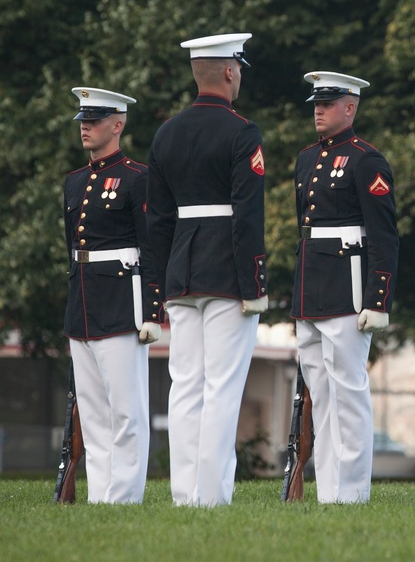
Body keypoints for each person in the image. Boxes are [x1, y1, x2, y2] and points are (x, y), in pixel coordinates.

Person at [147, 33, 267, 506]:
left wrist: (158, 284)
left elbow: (157, 221)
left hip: (181, 269)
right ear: (231, 72)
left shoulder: (165, 133)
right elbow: (247, 215)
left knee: (186, 386)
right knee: (221, 386)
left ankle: (183, 495)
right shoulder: (242, 132)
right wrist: (254, 282)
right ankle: (211, 497)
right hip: (226, 272)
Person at [291, 71, 398, 503]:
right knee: (321, 393)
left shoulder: (366, 160)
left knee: (349, 394)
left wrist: (378, 298)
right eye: (316, 102)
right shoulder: (305, 158)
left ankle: (351, 493)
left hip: (349, 288)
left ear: (350, 107)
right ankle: (329, 491)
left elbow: (384, 235)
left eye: (328, 102)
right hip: (311, 286)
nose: (318, 108)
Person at [63, 87, 162, 503]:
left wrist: (153, 311)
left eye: (95, 118)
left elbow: (153, 248)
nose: (85, 126)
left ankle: (124, 497)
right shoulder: (74, 182)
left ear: (117, 124)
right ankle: (100, 497)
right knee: (93, 411)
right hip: (83, 302)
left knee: (126, 410)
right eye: (83, 118)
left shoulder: (137, 179)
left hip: (122, 301)